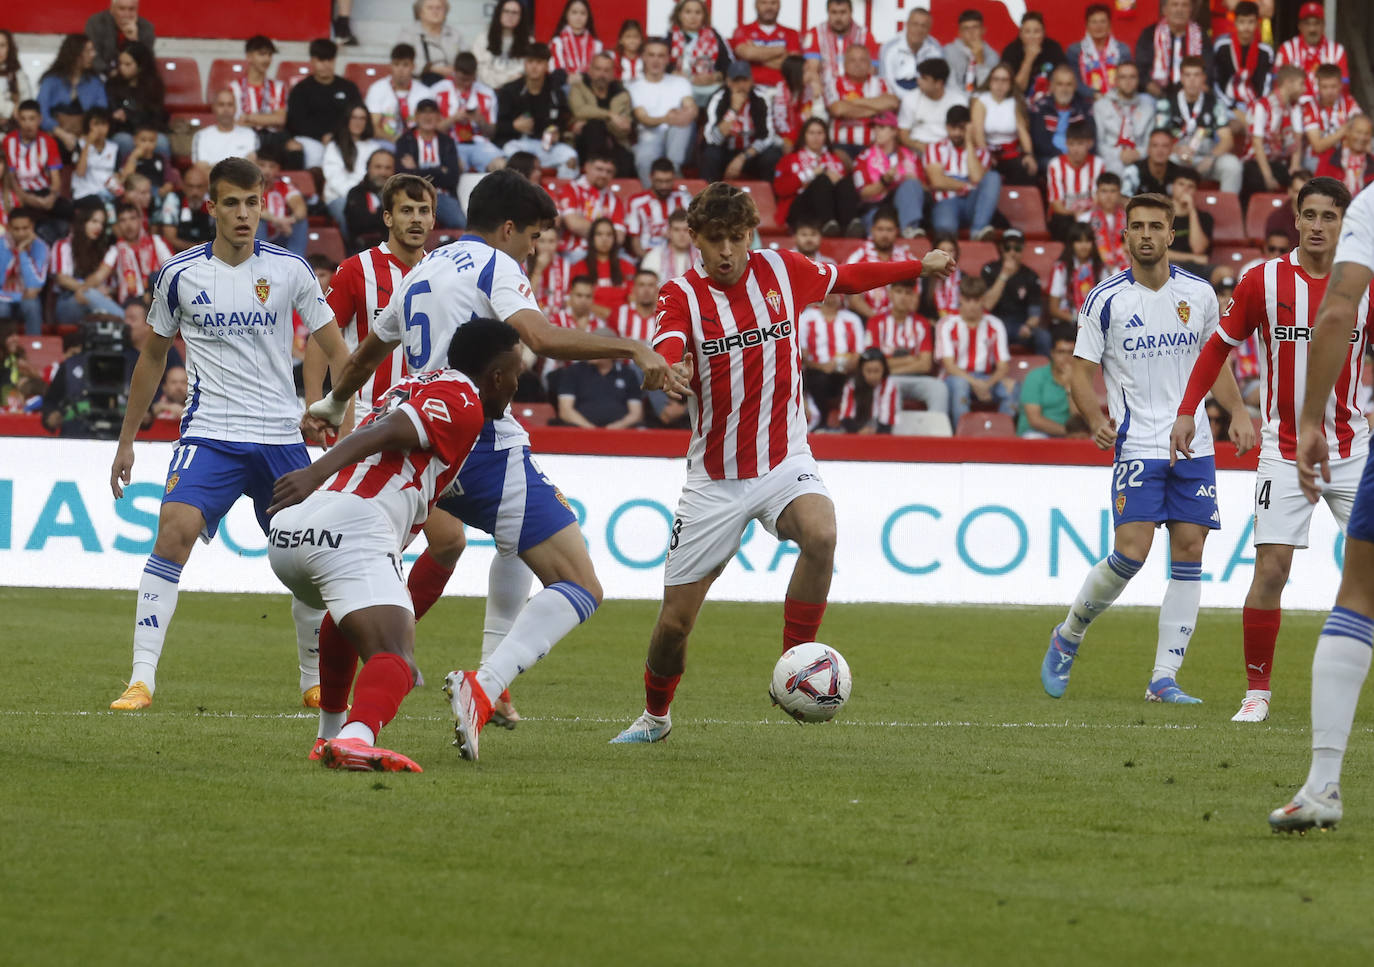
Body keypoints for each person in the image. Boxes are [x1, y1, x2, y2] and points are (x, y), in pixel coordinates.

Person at [305, 169, 687, 761]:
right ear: (508, 228)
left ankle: (341, 727)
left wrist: (330, 403)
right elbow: (540, 338)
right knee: (580, 584)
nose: (534, 250)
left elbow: (365, 355)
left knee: (381, 590)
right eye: (532, 237)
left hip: (424, 457)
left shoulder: (422, 269)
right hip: (480, 443)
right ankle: (485, 685)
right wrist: (634, 347)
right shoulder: (495, 265)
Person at [608, 181, 954, 744]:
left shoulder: (781, 270)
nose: (726, 252)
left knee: (821, 533)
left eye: (737, 238)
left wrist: (918, 266)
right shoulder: (681, 294)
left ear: (753, 235)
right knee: (674, 624)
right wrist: (663, 365)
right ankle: (655, 717)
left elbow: (849, 278)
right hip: (714, 478)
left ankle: (795, 664)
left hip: (784, 457)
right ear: (694, 239)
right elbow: (667, 342)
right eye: (714, 239)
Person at [106, 156, 353, 712]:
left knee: (308, 556)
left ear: (263, 205)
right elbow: (151, 359)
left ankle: (312, 680)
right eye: (232, 203)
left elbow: (340, 353)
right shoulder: (179, 273)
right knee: (175, 530)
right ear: (211, 207)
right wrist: (126, 441)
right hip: (209, 433)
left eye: (253, 203)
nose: (244, 214)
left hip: (278, 436)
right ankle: (141, 679)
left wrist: (342, 417)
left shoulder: (291, 271)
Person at [273, 317, 520, 773]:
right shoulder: (463, 398)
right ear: (497, 376)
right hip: (349, 525)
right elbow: (389, 432)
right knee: (397, 660)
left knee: (344, 619)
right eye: (516, 374)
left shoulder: (417, 383)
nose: (517, 386)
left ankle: (329, 734)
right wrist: (315, 470)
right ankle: (357, 737)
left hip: (296, 534)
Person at [1039, 191, 1255, 705]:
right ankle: (1067, 636)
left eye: (1156, 226)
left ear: (1171, 234)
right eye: (1137, 226)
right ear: (1126, 235)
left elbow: (1216, 362)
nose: (1147, 235)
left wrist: (1241, 412)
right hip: (1138, 443)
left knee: (1190, 551)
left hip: (1195, 442)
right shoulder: (1105, 299)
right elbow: (1080, 370)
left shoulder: (1200, 294)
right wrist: (1094, 418)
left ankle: (1163, 679)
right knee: (1131, 553)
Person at [1172, 176, 1364, 724]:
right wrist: (1188, 410)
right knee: (1272, 570)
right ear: (1297, 221)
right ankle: (1257, 692)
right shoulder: (1263, 280)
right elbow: (1217, 348)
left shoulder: (1364, 282)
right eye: (1311, 216)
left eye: (1331, 217)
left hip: (1352, 449)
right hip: (1282, 447)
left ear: (1343, 223)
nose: (1320, 226)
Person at [310, 172, 489, 715]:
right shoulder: (358, 270)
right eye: (405, 210)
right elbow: (324, 332)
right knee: (386, 550)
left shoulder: (448, 270)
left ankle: (384, 641)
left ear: (435, 218)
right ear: (387, 217)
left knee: (446, 542)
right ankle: (378, 651)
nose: (416, 219)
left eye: (424, 210)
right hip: (374, 425)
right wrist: (321, 403)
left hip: (433, 426)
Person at [1266, 181, 1374, 832]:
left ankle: (1322, 785)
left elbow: (1337, 314)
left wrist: (1310, 420)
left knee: (1357, 593)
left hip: (1350, 441)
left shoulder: (1369, 204)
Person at [1157, 56, 1241, 194]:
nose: (1192, 80)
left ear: (1203, 78)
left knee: (1232, 165)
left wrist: (1211, 157)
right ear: (1181, 78)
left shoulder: (1214, 103)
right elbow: (1158, 138)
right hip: (1177, 157)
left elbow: (1227, 139)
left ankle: (1226, 211)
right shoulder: (1166, 102)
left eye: (1196, 75)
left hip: (1205, 156)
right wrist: (1176, 149)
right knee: (1161, 160)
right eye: (1188, 75)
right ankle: (1168, 211)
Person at [865, 277, 947, 416]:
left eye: (908, 293)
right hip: (888, 378)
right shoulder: (875, 323)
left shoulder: (922, 324)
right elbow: (874, 365)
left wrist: (888, 364)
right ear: (890, 294)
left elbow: (925, 365)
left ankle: (937, 436)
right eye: (899, 292)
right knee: (890, 386)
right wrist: (912, 360)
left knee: (939, 388)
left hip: (918, 378)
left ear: (913, 296)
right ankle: (890, 433)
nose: (903, 297)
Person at [938, 275, 1012, 427]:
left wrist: (987, 383)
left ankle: (1002, 435)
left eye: (976, 300)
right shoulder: (947, 324)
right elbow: (949, 366)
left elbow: (1003, 366)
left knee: (1011, 388)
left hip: (985, 377)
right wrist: (976, 383)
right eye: (967, 300)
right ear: (960, 299)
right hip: (955, 378)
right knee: (960, 386)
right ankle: (962, 438)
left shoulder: (995, 324)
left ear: (983, 300)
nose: (972, 305)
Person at [495, 43, 577, 178]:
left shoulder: (555, 90)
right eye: (530, 62)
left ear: (546, 65)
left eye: (539, 62)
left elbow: (564, 120)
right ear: (524, 64)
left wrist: (557, 132)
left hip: (546, 147)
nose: (534, 67)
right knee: (510, 152)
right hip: (519, 144)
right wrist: (514, 126)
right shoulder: (509, 90)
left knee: (571, 157)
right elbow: (497, 127)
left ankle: (563, 195)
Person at [627, 38, 697, 183]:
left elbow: (691, 109)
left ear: (667, 59)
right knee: (644, 159)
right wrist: (667, 118)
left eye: (660, 56)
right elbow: (643, 118)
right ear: (644, 58)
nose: (656, 60)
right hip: (649, 134)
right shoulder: (633, 87)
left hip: (677, 137)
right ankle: (652, 196)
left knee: (683, 126)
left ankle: (673, 168)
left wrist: (681, 116)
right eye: (651, 55)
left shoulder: (680, 82)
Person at [926, 105, 999, 241]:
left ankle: (978, 231)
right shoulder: (934, 148)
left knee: (993, 177)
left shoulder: (982, 153)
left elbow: (977, 178)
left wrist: (969, 142)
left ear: (969, 127)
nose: (957, 133)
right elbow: (937, 181)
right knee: (946, 232)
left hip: (973, 204)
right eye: (953, 128)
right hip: (946, 202)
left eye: (962, 128)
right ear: (947, 127)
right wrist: (967, 186)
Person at [286, 39, 362, 169]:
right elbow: (296, 123)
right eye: (321, 60)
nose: (326, 65)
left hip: (344, 140)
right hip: (311, 141)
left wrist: (337, 136)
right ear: (312, 61)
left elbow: (357, 116)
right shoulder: (301, 89)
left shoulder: (349, 88)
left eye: (330, 60)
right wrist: (322, 136)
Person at [777, 117, 858, 235]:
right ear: (804, 135)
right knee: (822, 180)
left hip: (833, 208)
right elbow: (780, 189)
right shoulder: (790, 159)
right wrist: (811, 175)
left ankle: (849, 225)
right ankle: (827, 223)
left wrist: (836, 180)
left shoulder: (835, 159)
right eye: (811, 133)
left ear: (826, 136)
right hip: (800, 209)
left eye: (820, 133)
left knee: (845, 182)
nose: (816, 137)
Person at [702, 62, 781, 183]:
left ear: (751, 81)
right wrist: (733, 110)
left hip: (750, 153)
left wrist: (742, 158)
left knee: (772, 155)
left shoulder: (761, 99)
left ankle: (767, 197)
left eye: (744, 80)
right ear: (728, 82)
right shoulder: (718, 99)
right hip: (725, 151)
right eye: (736, 81)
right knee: (710, 154)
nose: (740, 85)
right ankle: (709, 197)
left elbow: (766, 137)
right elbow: (713, 139)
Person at [394, 99, 463, 229]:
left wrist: (416, 170)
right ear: (416, 116)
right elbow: (403, 177)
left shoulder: (447, 142)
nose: (427, 117)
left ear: (438, 116)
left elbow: (452, 178)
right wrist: (439, 171)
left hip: (441, 196)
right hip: (412, 195)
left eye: (432, 112)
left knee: (461, 224)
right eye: (423, 113)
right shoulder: (404, 141)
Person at [50, 202, 122, 323]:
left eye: (101, 224)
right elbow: (62, 279)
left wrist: (106, 292)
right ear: (82, 222)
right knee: (88, 295)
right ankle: (128, 324)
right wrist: (90, 291)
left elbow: (114, 286)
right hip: (68, 302)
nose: (98, 227)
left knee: (99, 301)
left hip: (98, 303)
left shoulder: (105, 250)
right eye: (94, 222)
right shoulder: (63, 245)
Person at [825, 44, 898, 163]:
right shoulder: (834, 83)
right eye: (852, 60)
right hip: (841, 145)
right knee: (838, 162)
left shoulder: (881, 83)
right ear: (844, 64)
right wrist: (877, 107)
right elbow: (837, 109)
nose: (857, 64)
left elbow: (893, 103)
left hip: (874, 144)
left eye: (862, 60)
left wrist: (853, 103)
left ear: (870, 63)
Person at [799, 291, 866, 421]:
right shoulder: (807, 318)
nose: (833, 296)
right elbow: (803, 351)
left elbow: (858, 352)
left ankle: (847, 420)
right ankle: (823, 418)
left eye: (837, 293)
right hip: (817, 370)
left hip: (846, 371)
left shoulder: (852, 319)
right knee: (818, 380)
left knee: (856, 380)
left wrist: (848, 366)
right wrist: (821, 366)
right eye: (830, 292)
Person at [1242, 65, 1305, 201]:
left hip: (1279, 162)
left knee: (1301, 180)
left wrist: (1294, 166)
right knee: (1257, 179)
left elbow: (1298, 139)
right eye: (1301, 84)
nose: (1304, 89)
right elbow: (1257, 143)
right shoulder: (1261, 106)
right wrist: (1267, 176)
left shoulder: (1294, 108)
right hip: (1256, 161)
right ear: (1288, 83)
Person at [36, 35, 108, 154]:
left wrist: (89, 135)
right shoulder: (51, 80)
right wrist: (60, 133)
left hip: (86, 134)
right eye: (88, 50)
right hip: (55, 133)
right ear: (75, 54)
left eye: (93, 50)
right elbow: (40, 111)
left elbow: (101, 111)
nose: (93, 54)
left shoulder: (95, 82)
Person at [980, 228, 1047, 354]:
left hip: (1020, 323)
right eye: (1007, 248)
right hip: (994, 321)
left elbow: (1035, 313)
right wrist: (1004, 275)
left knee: (1043, 337)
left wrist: (1028, 326)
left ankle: (1046, 373)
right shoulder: (989, 270)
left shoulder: (1030, 275)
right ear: (1001, 248)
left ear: (1022, 249)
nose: (1012, 252)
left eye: (1017, 248)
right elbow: (987, 305)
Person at [569, 52, 635, 177]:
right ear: (590, 70)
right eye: (598, 69)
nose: (601, 74)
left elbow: (624, 128)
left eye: (606, 70)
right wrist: (610, 115)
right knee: (594, 127)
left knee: (627, 159)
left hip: (615, 140)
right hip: (585, 142)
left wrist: (588, 118)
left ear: (612, 73)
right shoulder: (578, 87)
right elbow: (579, 110)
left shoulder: (621, 93)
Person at [970, 62, 1035, 186]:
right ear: (990, 82)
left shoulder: (1016, 102)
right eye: (996, 79)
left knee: (1027, 170)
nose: (1000, 84)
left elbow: (1023, 131)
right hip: (987, 152)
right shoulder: (980, 101)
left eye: (1005, 80)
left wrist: (1029, 155)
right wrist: (987, 156)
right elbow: (977, 133)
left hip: (1011, 153)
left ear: (1011, 84)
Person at [843, 209, 914, 320]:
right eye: (880, 229)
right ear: (872, 230)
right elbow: (853, 300)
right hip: (865, 320)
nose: (884, 235)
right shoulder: (857, 258)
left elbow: (914, 300)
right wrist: (878, 322)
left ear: (897, 231)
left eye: (889, 230)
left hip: (900, 321)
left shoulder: (908, 259)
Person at [557, 339, 645, 429]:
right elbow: (565, 411)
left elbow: (636, 414)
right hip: (580, 431)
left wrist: (615, 427)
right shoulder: (574, 371)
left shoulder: (627, 374)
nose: (590, 351)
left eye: (595, 348)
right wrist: (591, 429)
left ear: (610, 351)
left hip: (620, 433)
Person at [555, 152, 626, 262]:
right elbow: (573, 224)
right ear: (587, 167)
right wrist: (606, 234)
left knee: (627, 261)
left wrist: (590, 230)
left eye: (609, 171)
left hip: (605, 255)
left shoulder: (614, 200)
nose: (603, 175)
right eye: (599, 169)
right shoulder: (570, 189)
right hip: (573, 252)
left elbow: (619, 237)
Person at [322, 104, 382, 232]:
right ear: (347, 120)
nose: (358, 122)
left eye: (362, 118)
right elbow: (335, 179)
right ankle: (353, 248)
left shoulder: (375, 147)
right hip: (340, 197)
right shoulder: (334, 146)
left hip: (371, 195)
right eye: (354, 118)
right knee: (346, 209)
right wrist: (358, 197)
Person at [230, 36, 292, 158]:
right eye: (262, 54)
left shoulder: (278, 87)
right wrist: (268, 119)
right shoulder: (234, 87)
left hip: (272, 138)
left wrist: (248, 117)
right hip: (243, 136)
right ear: (249, 57)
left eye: (270, 55)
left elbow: (280, 119)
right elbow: (236, 122)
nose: (267, 59)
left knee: (295, 149)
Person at [1135, 0, 1210, 100]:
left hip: (1192, 95)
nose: (1179, 10)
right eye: (1175, 5)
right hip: (1157, 94)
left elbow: (1209, 69)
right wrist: (1152, 87)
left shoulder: (1200, 35)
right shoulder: (1150, 34)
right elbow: (1141, 69)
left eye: (1184, 5)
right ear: (1164, 9)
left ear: (1190, 9)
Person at [802, 0, 878, 98]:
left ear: (851, 13)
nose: (838, 18)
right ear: (828, 13)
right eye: (834, 12)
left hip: (858, 95)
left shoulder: (864, 35)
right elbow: (812, 69)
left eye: (843, 12)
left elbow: (871, 71)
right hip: (825, 94)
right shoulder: (816, 33)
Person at [103, 42, 166, 158]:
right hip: (123, 131)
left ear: (140, 66)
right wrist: (116, 116)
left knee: (161, 142)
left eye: (128, 64)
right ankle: (124, 173)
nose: (122, 68)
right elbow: (111, 112)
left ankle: (158, 172)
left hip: (148, 130)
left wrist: (129, 116)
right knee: (123, 140)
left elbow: (156, 115)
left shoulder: (154, 85)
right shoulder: (112, 84)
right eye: (120, 63)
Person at [1273, 1, 1346, 99]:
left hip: (1326, 108)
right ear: (1300, 26)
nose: (1312, 29)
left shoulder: (1337, 51)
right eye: (1307, 24)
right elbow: (1277, 84)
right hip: (1294, 108)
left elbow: (1344, 87)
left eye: (1317, 23)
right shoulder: (1286, 49)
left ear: (1324, 25)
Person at [1018, 330, 1083, 438]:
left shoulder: (1081, 380)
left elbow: (1078, 419)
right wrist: (1068, 433)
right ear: (1052, 353)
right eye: (1061, 352)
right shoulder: (1035, 377)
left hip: (1070, 434)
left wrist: (1070, 386)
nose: (1066, 358)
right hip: (1037, 433)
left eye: (1071, 352)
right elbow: (1035, 420)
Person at [1092, 61, 1153, 178]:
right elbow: (1099, 143)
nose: (1128, 82)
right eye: (1123, 77)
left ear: (1138, 80)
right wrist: (1119, 154)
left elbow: (1150, 142)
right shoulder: (1101, 105)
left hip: (1140, 159)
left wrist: (1139, 153)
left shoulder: (1148, 106)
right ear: (1115, 80)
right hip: (1111, 160)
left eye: (1132, 77)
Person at [1030, 64, 1095, 172]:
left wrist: (1076, 155)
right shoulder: (1040, 107)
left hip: (1081, 156)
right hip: (1050, 157)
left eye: (1068, 84)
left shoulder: (1085, 107)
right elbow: (1040, 143)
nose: (1064, 89)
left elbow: (1091, 138)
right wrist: (1064, 158)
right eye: (1060, 84)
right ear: (1052, 86)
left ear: (1075, 87)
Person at [667, 0, 731, 108]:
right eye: (688, 12)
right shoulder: (671, 37)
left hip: (710, 88)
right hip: (681, 90)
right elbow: (663, 66)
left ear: (704, 16)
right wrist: (686, 78)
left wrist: (714, 77)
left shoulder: (713, 35)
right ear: (679, 15)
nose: (693, 17)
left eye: (698, 13)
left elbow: (727, 66)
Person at [1046, 120, 1104, 240]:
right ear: (1066, 144)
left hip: (1090, 215)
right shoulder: (1055, 165)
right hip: (1064, 217)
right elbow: (1057, 206)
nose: (1075, 149)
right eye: (1072, 144)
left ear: (1089, 144)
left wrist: (1084, 216)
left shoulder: (1098, 164)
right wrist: (1075, 215)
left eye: (1080, 144)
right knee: (1061, 221)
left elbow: (1098, 200)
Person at [898, 58, 968, 156]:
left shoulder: (959, 101)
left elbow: (963, 133)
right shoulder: (910, 99)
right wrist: (922, 147)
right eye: (919, 77)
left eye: (924, 78)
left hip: (949, 151)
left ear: (939, 83)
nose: (919, 81)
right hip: (918, 151)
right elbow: (903, 134)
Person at [1300, 63, 1363, 172]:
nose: (1329, 91)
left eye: (1333, 86)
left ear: (1340, 85)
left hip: (1344, 154)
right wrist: (1344, 129)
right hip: (1315, 159)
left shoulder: (1348, 101)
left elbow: (1360, 129)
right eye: (1325, 87)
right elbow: (1318, 146)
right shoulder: (1310, 106)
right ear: (1318, 86)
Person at [366, 44, 433, 145]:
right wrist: (394, 140)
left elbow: (430, 126)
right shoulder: (377, 89)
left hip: (416, 144)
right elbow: (372, 127)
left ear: (413, 67)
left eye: (405, 65)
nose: (400, 70)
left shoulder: (425, 92)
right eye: (396, 64)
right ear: (390, 66)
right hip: (385, 143)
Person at [1212, 1, 1272, 114]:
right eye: (1242, 22)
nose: (1246, 27)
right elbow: (1215, 83)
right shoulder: (1222, 46)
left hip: (1256, 107)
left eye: (1251, 22)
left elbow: (1266, 87)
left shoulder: (1266, 52)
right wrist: (1232, 108)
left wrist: (1256, 108)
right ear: (1235, 23)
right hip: (1225, 105)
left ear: (1257, 24)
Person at [730, 0, 800, 96]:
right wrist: (780, 50)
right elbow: (746, 53)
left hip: (783, 91)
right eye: (764, 3)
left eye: (773, 3)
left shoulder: (792, 33)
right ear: (756, 5)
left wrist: (756, 54)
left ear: (779, 5)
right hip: (752, 90)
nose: (769, 7)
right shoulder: (742, 30)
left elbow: (793, 65)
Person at [108, 199, 171, 305]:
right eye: (123, 220)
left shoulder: (155, 241)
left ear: (140, 220)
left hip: (158, 295)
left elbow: (172, 268)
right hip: (132, 302)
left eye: (132, 218)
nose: (128, 225)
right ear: (118, 225)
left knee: (155, 277)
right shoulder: (115, 250)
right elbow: (102, 275)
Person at [626, 159, 691, 257]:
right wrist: (650, 262)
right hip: (647, 256)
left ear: (674, 178)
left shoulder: (683, 197)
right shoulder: (636, 202)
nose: (664, 186)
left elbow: (695, 231)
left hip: (680, 256)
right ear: (651, 178)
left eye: (668, 181)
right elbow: (635, 240)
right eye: (659, 181)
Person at [1048, 223, 1110, 326]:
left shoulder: (1100, 268)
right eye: (1079, 241)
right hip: (1068, 323)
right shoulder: (1061, 268)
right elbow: (1053, 309)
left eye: (1087, 241)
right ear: (1071, 244)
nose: (1084, 246)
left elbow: (1109, 302)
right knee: (1065, 343)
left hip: (1096, 324)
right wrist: (1077, 319)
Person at [1066, 4, 1130, 102]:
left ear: (1109, 25)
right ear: (1087, 25)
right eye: (1094, 22)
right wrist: (1094, 95)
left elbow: (1128, 78)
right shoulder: (1075, 50)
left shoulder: (1122, 49)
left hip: (1119, 101)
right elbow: (1074, 81)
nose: (1098, 26)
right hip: (1087, 103)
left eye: (1103, 22)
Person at [0, 209, 48, 333]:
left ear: (32, 226)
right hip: (3, 298)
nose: (21, 233)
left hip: (25, 300)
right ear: (9, 227)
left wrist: (22, 252)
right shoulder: (1, 245)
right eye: (16, 229)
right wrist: (17, 296)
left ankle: (35, 348)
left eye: (25, 228)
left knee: (31, 305)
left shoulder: (41, 247)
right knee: (2, 309)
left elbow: (35, 285)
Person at [1002, 11, 1065, 103]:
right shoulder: (1010, 51)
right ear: (1020, 34)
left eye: (1036, 31)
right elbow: (1015, 90)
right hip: (1018, 102)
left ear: (1043, 33)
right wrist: (1029, 59)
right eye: (1027, 32)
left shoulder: (1053, 48)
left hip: (1049, 101)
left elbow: (1063, 81)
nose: (1032, 36)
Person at [85, 0, 155, 80]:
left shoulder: (146, 28)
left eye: (131, 9)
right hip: (101, 76)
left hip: (132, 80)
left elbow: (148, 65)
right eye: (122, 9)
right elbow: (92, 57)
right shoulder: (96, 23)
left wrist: (135, 41)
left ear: (137, 10)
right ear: (112, 9)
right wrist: (111, 72)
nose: (127, 14)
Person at [400, 0, 463, 86]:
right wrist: (432, 69)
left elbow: (465, 60)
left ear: (445, 12)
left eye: (439, 8)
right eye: (430, 8)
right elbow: (402, 62)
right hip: (418, 85)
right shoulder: (408, 34)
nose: (435, 11)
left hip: (451, 86)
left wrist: (457, 70)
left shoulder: (454, 34)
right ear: (420, 12)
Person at [880, 8, 943, 96]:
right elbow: (886, 82)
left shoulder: (935, 48)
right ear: (907, 25)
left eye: (924, 26)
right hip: (896, 99)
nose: (919, 30)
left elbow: (937, 82)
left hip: (925, 98)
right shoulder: (889, 47)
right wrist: (907, 100)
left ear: (929, 29)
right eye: (915, 24)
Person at [474, 0, 532, 91]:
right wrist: (506, 80)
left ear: (521, 17)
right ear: (499, 13)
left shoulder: (530, 41)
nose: (510, 16)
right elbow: (481, 72)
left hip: (517, 93)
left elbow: (527, 72)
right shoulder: (483, 38)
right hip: (488, 91)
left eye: (515, 13)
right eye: (506, 11)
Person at [343, 149, 395, 249]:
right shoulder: (356, 193)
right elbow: (359, 224)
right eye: (378, 167)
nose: (383, 172)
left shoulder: (401, 194)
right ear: (368, 168)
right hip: (363, 251)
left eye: (388, 168)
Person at [838, 347, 898, 434]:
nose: (872, 376)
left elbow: (887, 419)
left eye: (876, 371)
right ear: (861, 370)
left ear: (884, 370)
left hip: (881, 434)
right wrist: (859, 431)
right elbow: (846, 416)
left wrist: (875, 431)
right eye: (868, 371)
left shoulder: (889, 386)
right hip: (855, 432)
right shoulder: (852, 385)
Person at [193, 89, 258, 166]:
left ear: (235, 108)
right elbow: (201, 168)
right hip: (211, 177)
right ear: (214, 108)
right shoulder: (201, 136)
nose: (226, 109)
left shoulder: (250, 134)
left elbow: (252, 166)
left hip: (241, 177)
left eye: (230, 105)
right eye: (221, 105)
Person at [549, 0, 602, 87]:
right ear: (566, 15)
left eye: (583, 13)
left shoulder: (596, 45)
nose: (578, 17)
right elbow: (556, 71)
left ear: (588, 17)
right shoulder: (557, 42)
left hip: (590, 86)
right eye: (574, 12)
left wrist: (582, 78)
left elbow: (598, 72)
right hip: (564, 86)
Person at [71, 107, 119, 203]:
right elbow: (80, 172)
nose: (100, 128)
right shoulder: (80, 145)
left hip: (107, 193)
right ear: (88, 126)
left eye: (103, 124)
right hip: (84, 193)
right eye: (96, 124)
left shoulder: (114, 148)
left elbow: (117, 174)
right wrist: (88, 143)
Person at [1317, 115, 1374, 195]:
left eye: (1366, 133)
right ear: (1347, 132)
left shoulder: (1371, 161)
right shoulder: (1330, 158)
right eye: (1358, 132)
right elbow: (1318, 190)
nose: (1362, 137)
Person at [942, 8, 993, 97]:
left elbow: (989, 90)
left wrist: (980, 61)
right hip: (955, 100)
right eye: (966, 28)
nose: (971, 32)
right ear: (959, 33)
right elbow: (950, 86)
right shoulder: (948, 51)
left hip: (981, 103)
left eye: (975, 27)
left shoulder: (992, 55)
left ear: (983, 30)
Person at [1122, 129, 1186, 197]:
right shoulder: (1133, 171)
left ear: (1171, 150)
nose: (1160, 150)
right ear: (1148, 149)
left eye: (1165, 146)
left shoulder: (1179, 173)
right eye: (1155, 145)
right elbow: (1124, 201)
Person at [639, 208, 697, 283]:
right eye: (676, 230)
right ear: (669, 232)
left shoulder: (702, 257)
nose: (681, 234)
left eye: (685, 230)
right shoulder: (654, 257)